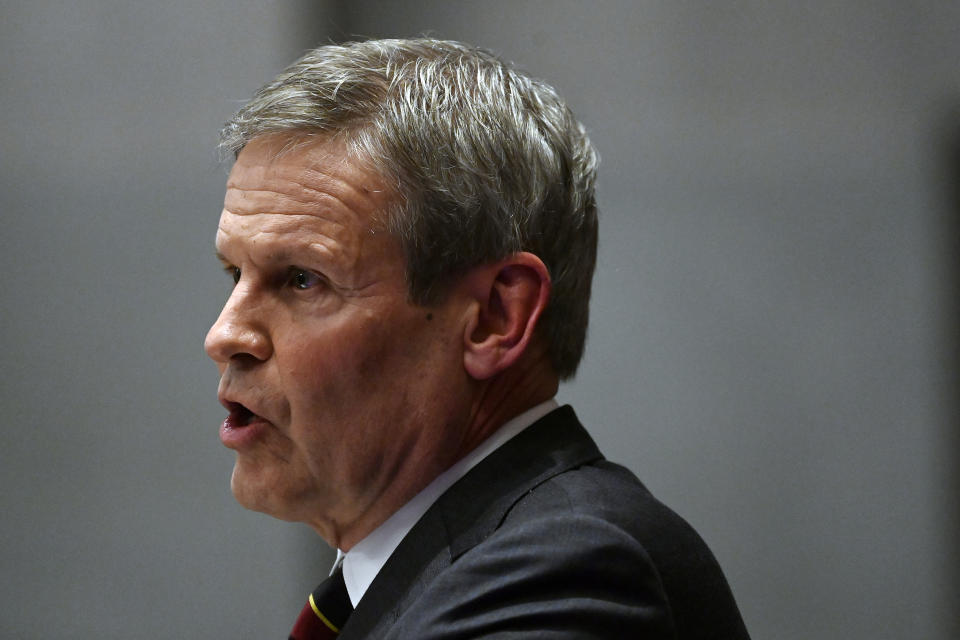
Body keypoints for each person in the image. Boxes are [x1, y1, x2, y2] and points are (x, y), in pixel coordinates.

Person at [204, 38, 750, 639]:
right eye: (236, 274)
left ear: (495, 317)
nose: (225, 334)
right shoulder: (439, 571)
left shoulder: (568, 578)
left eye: (303, 280)